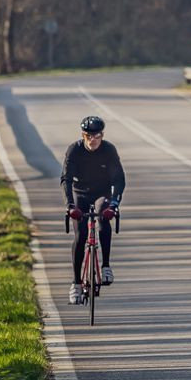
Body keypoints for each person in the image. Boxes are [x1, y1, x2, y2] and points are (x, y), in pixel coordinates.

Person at [60, 115, 126, 304]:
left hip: (101, 193)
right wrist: (70, 205)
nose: (93, 140)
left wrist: (114, 205)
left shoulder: (109, 150)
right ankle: (76, 283)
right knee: (81, 236)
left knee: (104, 215)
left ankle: (105, 265)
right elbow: (66, 179)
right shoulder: (74, 150)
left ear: (102, 135)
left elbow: (119, 180)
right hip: (80, 193)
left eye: (97, 136)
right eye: (88, 136)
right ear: (83, 135)